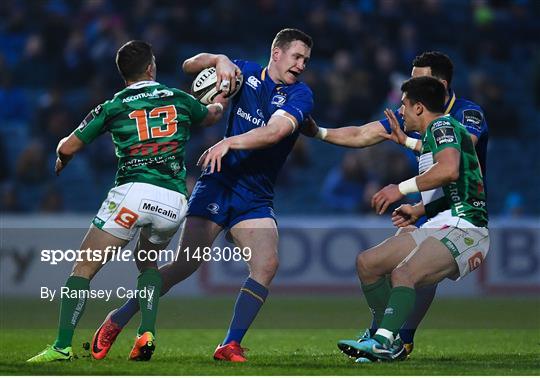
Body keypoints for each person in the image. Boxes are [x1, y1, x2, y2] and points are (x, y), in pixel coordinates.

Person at [91, 28, 314, 362]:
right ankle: (117, 319)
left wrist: (228, 142)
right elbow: (188, 65)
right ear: (277, 53)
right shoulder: (245, 73)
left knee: (266, 264)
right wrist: (220, 59)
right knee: (184, 265)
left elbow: (275, 132)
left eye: (306, 60)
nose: (301, 65)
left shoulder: (301, 95)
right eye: (296, 57)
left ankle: (229, 344)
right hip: (217, 185)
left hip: (255, 196)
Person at [27, 40, 224, 363]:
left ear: (124, 74)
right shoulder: (179, 98)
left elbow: (69, 146)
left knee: (84, 267)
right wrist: (220, 97)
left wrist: (62, 156)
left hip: (134, 191)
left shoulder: (114, 105)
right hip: (174, 200)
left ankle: (62, 346)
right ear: (151, 67)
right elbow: (212, 115)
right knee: (147, 264)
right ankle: (146, 331)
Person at [304, 51, 489, 357]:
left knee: (406, 273)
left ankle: (390, 340)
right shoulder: (427, 125)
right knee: (369, 263)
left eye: (417, 82)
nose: (402, 98)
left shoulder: (459, 118)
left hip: (463, 220)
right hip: (435, 216)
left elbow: (453, 160)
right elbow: (365, 133)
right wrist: (319, 132)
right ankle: (382, 332)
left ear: (435, 88)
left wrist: (399, 188)